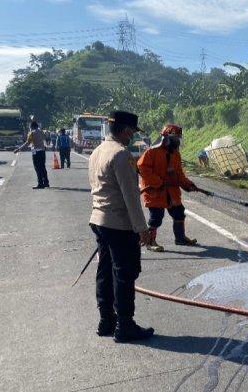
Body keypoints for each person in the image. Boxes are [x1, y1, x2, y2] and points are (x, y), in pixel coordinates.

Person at [88, 110, 153, 343]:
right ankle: (125, 325)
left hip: (99, 220)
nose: (132, 137)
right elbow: (131, 196)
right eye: (132, 133)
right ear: (125, 130)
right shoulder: (122, 154)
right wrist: (142, 228)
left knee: (105, 271)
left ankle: (106, 321)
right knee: (124, 273)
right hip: (119, 224)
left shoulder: (97, 151)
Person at [137, 124, 198, 252]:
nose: (177, 142)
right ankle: (150, 241)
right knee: (156, 217)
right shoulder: (151, 152)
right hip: (155, 191)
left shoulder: (175, 154)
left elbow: (179, 174)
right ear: (166, 138)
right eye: (175, 139)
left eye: (178, 139)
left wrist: (188, 184)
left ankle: (180, 238)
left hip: (171, 191)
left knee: (179, 212)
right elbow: (142, 168)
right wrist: (158, 182)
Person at [13, 121, 49, 189]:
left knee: (37, 168)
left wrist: (18, 149)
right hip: (42, 151)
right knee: (43, 167)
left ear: (32, 127)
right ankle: (46, 182)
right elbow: (45, 139)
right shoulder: (42, 132)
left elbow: (27, 143)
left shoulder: (31, 133)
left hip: (36, 152)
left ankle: (40, 183)